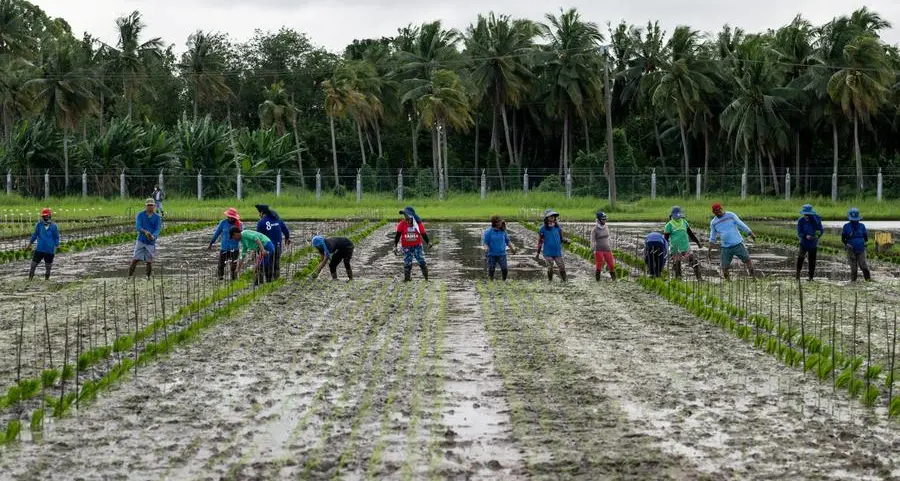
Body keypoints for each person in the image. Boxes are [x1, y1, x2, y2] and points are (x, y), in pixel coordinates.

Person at [708, 202, 756, 280]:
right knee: (724, 268)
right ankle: (728, 283)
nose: (719, 213)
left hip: (737, 244)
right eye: (716, 212)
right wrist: (709, 250)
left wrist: (750, 233)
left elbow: (741, 224)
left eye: (719, 210)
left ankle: (753, 278)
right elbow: (712, 236)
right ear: (713, 213)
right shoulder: (714, 223)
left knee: (747, 260)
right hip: (726, 247)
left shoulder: (730, 215)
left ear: (721, 208)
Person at [664, 206, 703, 280]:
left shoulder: (684, 222)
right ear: (672, 215)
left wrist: (698, 242)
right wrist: (665, 249)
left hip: (685, 247)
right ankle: (678, 280)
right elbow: (665, 239)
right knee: (677, 265)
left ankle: (699, 278)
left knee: (694, 262)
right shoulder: (668, 225)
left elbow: (690, 234)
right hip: (675, 249)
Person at [394, 206, 431, 281]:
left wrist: (428, 242)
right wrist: (395, 246)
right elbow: (397, 235)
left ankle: (426, 279)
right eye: (404, 215)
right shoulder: (402, 224)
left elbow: (423, 234)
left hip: (417, 246)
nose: (405, 217)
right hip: (406, 247)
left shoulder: (418, 224)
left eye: (406, 215)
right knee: (407, 263)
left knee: (421, 261)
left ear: (411, 216)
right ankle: (407, 279)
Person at [255, 204, 291, 280]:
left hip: (268, 248)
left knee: (268, 265)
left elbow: (258, 237)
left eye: (259, 213)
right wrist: (287, 239)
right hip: (278, 246)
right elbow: (286, 230)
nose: (259, 215)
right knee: (276, 264)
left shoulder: (261, 223)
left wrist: (258, 249)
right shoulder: (277, 219)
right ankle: (276, 280)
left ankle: (269, 281)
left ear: (261, 213)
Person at [129, 198, 162, 278]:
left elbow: (157, 229)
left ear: (154, 206)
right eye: (148, 205)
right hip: (141, 240)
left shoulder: (157, 217)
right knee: (135, 260)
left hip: (151, 242)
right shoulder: (140, 215)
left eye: (151, 205)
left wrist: (153, 236)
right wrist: (145, 232)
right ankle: (129, 276)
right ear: (145, 206)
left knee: (149, 262)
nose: (150, 207)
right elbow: (138, 226)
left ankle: (148, 277)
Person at [534, 209, 568, 282]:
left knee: (562, 267)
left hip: (557, 252)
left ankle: (565, 281)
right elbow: (540, 241)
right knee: (550, 267)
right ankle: (550, 281)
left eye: (554, 216)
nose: (553, 217)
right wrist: (538, 252)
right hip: (548, 252)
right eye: (551, 216)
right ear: (547, 218)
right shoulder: (542, 229)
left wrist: (566, 241)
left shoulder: (557, 227)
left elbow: (561, 239)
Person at [208, 207, 242, 281]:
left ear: (234, 217)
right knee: (221, 265)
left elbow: (242, 235)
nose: (230, 218)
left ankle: (233, 279)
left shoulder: (239, 224)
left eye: (231, 217)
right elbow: (216, 234)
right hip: (224, 248)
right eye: (229, 216)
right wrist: (211, 243)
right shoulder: (223, 223)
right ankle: (220, 278)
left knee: (233, 265)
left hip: (234, 248)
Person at [26, 208, 60, 280]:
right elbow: (35, 235)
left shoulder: (54, 226)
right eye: (43, 216)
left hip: (49, 250)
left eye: (46, 216)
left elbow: (56, 237)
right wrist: (30, 243)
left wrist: (57, 245)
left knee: (48, 267)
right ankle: (29, 279)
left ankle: (46, 280)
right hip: (40, 249)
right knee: (33, 265)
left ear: (50, 216)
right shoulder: (39, 225)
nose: (45, 217)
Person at [482, 216, 517, 281]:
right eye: (500, 222)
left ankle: (504, 281)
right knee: (491, 270)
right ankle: (491, 282)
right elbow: (485, 243)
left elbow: (508, 241)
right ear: (496, 223)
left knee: (505, 269)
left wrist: (512, 249)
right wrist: (486, 248)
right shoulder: (488, 232)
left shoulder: (503, 231)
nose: (501, 223)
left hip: (502, 254)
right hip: (492, 254)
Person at [841, 207, 871, 282]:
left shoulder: (862, 226)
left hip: (861, 249)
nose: (854, 221)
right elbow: (843, 239)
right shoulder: (846, 226)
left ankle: (868, 280)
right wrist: (847, 244)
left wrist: (862, 243)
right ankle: (853, 282)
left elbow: (866, 238)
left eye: (855, 220)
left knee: (864, 266)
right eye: (852, 220)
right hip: (850, 249)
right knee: (854, 268)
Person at [796, 204, 824, 281]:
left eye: (808, 215)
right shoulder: (801, 221)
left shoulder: (816, 220)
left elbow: (821, 230)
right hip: (803, 243)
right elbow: (799, 232)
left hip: (813, 244)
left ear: (811, 214)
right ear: (803, 214)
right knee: (800, 258)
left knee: (812, 261)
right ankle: (797, 276)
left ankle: (811, 278)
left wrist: (817, 236)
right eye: (805, 215)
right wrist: (805, 236)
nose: (806, 216)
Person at [590, 211, 616, 281]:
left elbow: (609, 238)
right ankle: (597, 280)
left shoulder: (606, 227)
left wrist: (611, 246)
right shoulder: (594, 230)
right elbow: (592, 240)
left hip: (607, 249)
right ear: (598, 220)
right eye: (603, 219)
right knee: (599, 266)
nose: (604, 220)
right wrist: (592, 249)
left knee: (611, 265)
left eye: (605, 219)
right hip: (599, 249)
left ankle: (614, 280)